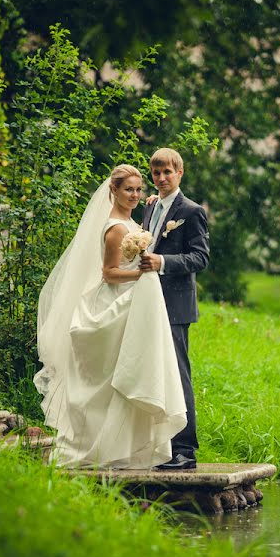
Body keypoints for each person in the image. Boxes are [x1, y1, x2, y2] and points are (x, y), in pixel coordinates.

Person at [33, 164, 187, 469]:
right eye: (128, 189)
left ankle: (121, 448)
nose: (134, 195)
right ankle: (100, 447)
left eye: (138, 189)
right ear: (113, 191)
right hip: (115, 304)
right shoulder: (116, 227)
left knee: (127, 372)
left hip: (132, 304)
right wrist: (142, 275)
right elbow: (109, 273)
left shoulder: (131, 222)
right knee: (113, 379)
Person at [139, 148, 210, 470]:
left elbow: (200, 257)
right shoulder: (151, 207)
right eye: (156, 173)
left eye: (168, 172)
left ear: (180, 173)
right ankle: (160, 445)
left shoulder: (191, 211)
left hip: (175, 305)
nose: (162, 178)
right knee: (154, 374)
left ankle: (184, 451)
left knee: (178, 375)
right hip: (148, 302)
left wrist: (163, 262)